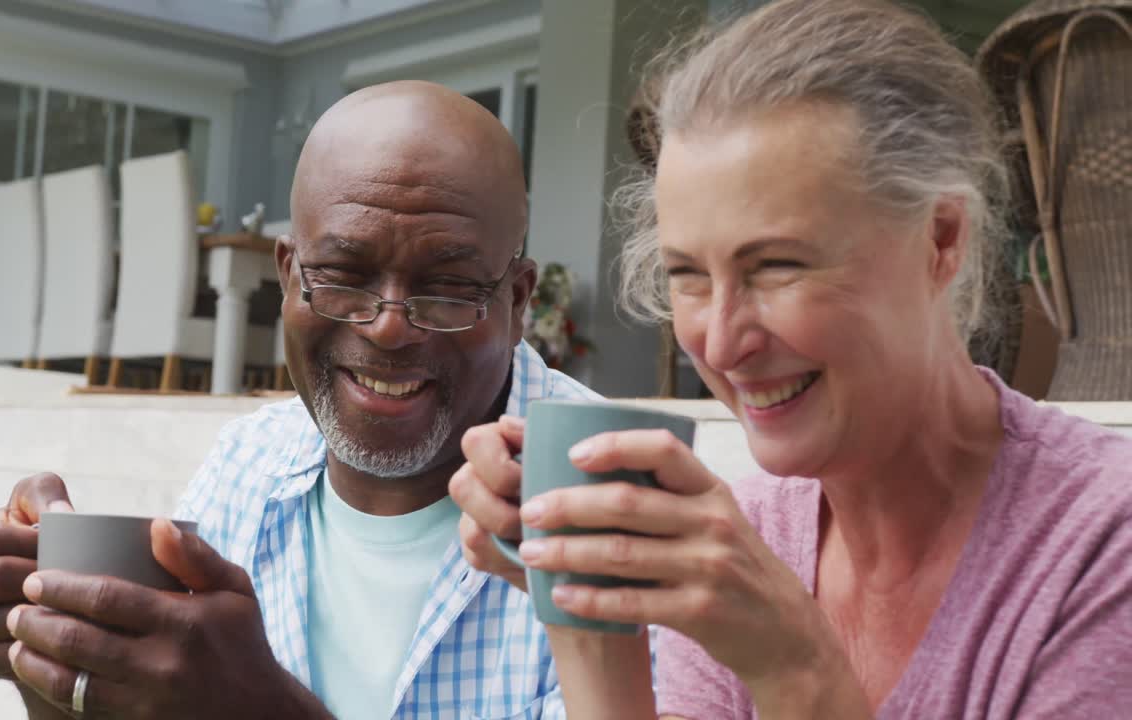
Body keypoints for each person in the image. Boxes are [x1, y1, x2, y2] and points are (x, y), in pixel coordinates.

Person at [451, 1, 1132, 718]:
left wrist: (793, 667)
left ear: (940, 240)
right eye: (688, 275)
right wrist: (583, 602)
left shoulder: (1100, 544)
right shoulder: (748, 535)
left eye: (777, 266)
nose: (720, 345)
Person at [0, 80, 597, 720]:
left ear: (516, 301)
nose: (388, 327)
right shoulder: (251, 460)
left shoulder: (608, 506)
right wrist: (48, 652)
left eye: (448, 286)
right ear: (286, 276)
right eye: (342, 275)